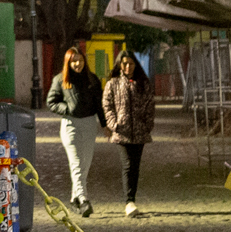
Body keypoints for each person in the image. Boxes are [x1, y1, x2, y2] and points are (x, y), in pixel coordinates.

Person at [44, 45, 105, 216]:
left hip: (89, 124)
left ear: (84, 61)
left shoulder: (92, 80)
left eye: (79, 60)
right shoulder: (60, 80)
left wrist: (105, 124)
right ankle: (84, 200)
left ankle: (74, 200)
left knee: (84, 165)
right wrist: (68, 109)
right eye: (73, 61)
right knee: (76, 163)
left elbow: (99, 104)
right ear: (68, 63)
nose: (77, 64)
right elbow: (51, 102)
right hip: (70, 126)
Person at [102, 49, 156, 216]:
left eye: (131, 63)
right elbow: (107, 105)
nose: (128, 66)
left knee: (135, 167)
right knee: (127, 165)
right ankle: (129, 201)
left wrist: (147, 125)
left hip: (140, 132)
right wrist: (114, 124)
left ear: (135, 65)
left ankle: (131, 198)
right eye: (124, 63)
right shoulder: (113, 83)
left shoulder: (143, 83)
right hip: (122, 132)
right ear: (119, 64)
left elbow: (150, 105)